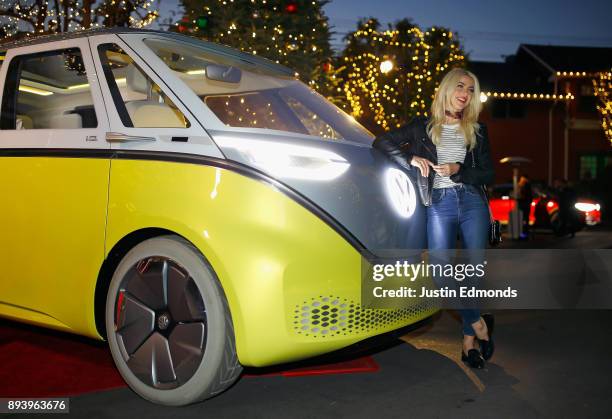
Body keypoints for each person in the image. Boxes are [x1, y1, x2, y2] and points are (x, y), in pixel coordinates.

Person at [373, 68, 495, 369]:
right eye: (460, 86)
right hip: (439, 203)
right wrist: (410, 158)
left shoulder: (477, 130)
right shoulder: (422, 127)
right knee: (441, 275)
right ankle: (477, 321)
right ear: (447, 89)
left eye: (470, 89)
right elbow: (382, 142)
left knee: (472, 274)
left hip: (472, 202)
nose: (465, 93)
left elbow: (488, 173)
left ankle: (468, 344)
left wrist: (459, 170)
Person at [517, 175, 533, 239]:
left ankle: (524, 233)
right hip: (526, 204)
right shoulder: (527, 185)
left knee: (523, 219)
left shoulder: (524, 185)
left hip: (523, 204)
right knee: (525, 219)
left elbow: (523, 195)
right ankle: (525, 232)